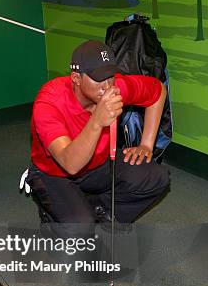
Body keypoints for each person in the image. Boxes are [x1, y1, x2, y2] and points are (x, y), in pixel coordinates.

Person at [27, 40, 170, 228]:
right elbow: (70, 164)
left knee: (157, 178)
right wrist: (96, 121)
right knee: (79, 227)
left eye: (110, 76)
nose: (108, 85)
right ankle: (55, 215)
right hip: (56, 173)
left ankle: (100, 211)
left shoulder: (116, 87)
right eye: (99, 78)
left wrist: (146, 144)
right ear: (76, 78)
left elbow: (158, 91)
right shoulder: (49, 102)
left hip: (98, 163)